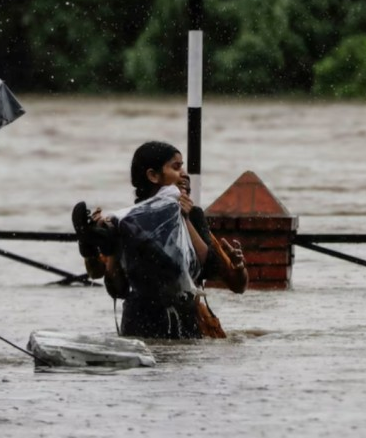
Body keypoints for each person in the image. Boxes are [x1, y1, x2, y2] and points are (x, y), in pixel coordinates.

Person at [72, 141, 247, 339]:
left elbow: (211, 267)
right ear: (153, 176)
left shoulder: (192, 215)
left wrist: (185, 219)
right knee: (117, 232)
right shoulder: (127, 222)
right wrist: (112, 249)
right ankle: (95, 239)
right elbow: (117, 289)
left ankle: (96, 238)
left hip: (184, 322)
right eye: (176, 167)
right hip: (141, 324)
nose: (184, 173)